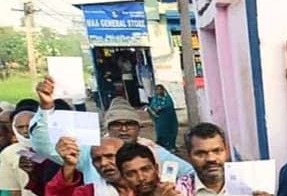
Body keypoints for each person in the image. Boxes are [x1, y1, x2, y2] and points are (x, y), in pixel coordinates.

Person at [31, 77, 192, 184]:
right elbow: (44, 145)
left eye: (130, 124)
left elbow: (189, 173)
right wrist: (46, 108)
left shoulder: (152, 151)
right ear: (107, 128)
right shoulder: (91, 151)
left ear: (138, 128)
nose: (124, 129)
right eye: (117, 124)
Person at [147, 84, 179, 152]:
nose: (159, 91)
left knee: (172, 131)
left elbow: (170, 105)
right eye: (157, 90)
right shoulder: (155, 99)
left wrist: (162, 107)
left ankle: (171, 146)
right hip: (160, 119)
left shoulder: (167, 98)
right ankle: (163, 147)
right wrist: (155, 109)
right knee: (161, 132)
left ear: (163, 90)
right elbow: (152, 107)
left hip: (170, 118)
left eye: (160, 89)